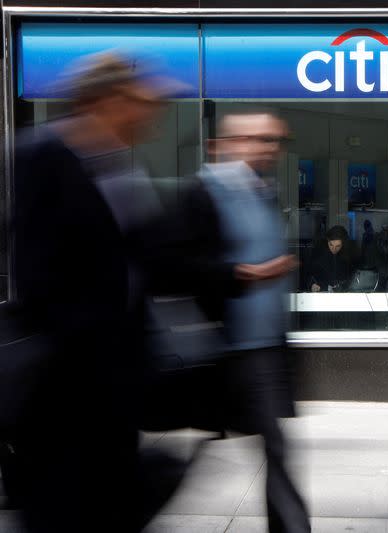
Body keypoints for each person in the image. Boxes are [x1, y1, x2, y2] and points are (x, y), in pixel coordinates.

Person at [10, 51, 186, 532]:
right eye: (141, 103)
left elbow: (148, 261)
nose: (150, 116)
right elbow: (37, 274)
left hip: (114, 383)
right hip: (65, 384)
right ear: (108, 99)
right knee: (65, 509)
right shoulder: (43, 155)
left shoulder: (120, 165)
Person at [195, 112, 311, 533]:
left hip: (263, 347)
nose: (268, 149)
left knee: (274, 446)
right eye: (257, 139)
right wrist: (250, 273)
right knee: (264, 446)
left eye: (274, 141)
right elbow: (183, 266)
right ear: (226, 143)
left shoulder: (263, 191)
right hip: (226, 348)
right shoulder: (205, 193)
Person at [307, 225, 357, 292]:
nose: (333, 249)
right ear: (327, 240)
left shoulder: (348, 256)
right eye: (331, 244)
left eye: (338, 246)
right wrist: (312, 285)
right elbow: (309, 274)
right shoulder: (319, 254)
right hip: (322, 293)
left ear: (343, 244)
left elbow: (353, 277)